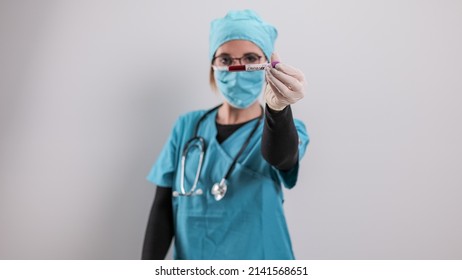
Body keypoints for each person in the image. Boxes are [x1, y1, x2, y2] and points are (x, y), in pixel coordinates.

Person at [142, 9, 309, 260]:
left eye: (251, 58)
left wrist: (277, 110)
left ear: (267, 66)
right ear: (213, 65)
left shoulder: (286, 128)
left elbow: (281, 157)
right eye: (225, 60)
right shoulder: (187, 126)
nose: (237, 69)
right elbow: (162, 207)